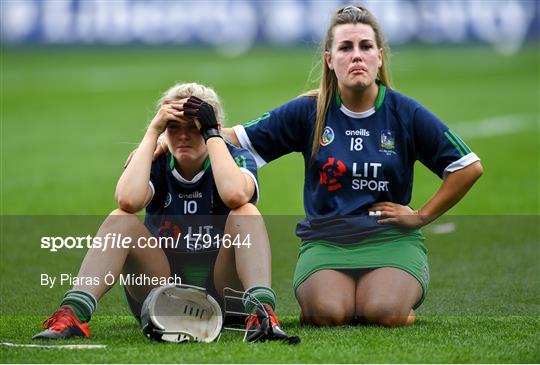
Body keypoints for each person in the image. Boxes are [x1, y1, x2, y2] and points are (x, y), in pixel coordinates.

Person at [221, 4, 484, 327]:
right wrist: (183, 130)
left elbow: (467, 166)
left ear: (380, 56)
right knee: (325, 315)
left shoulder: (404, 112)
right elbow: (234, 138)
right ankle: (345, 293)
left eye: (365, 46)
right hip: (326, 242)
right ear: (330, 60)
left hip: (390, 240)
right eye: (345, 47)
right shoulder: (310, 110)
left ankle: (388, 289)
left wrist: (420, 216)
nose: (356, 55)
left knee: (384, 312)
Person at [33, 82, 288, 342]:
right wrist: (153, 133)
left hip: (225, 294)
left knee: (245, 212)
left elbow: (235, 195)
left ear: (213, 129)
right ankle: (73, 315)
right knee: (120, 219)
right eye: (174, 127)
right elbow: (127, 199)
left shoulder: (236, 157)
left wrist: (213, 134)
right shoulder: (156, 161)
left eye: (194, 127)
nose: (183, 136)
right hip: (161, 293)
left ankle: (261, 313)